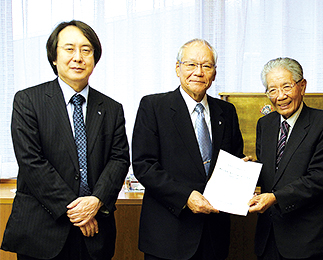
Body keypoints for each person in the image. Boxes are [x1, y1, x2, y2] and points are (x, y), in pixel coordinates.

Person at [1, 20, 130, 260]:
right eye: (69, 49)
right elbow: (31, 162)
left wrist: (96, 201)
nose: (78, 57)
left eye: (86, 50)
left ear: (94, 58)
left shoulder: (112, 108)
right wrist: (78, 210)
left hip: (95, 231)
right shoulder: (28, 101)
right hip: (42, 230)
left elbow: (119, 159)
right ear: (54, 57)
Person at [132, 38, 244, 260]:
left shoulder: (227, 111)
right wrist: (185, 197)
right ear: (177, 68)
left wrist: (241, 170)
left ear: (214, 73)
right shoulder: (153, 107)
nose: (198, 72)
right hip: (168, 235)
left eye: (206, 66)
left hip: (214, 235)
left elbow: (233, 158)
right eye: (191, 64)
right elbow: (144, 165)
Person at [248, 57, 323, 260]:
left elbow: (320, 178)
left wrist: (275, 198)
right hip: (269, 238)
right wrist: (245, 171)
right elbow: (271, 172)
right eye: (272, 90)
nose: (280, 96)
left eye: (286, 87)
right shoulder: (265, 124)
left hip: (308, 240)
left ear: (302, 86)